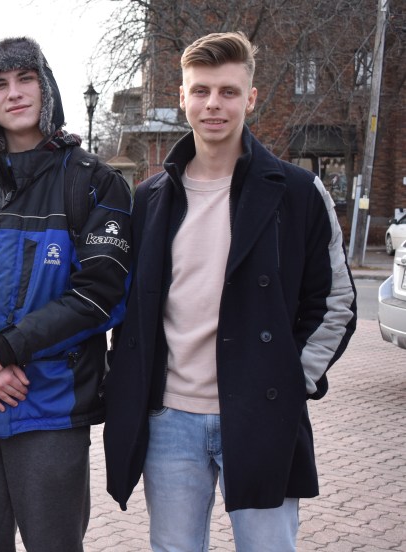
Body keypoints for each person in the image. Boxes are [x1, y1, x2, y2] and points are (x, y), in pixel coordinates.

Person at [103, 31, 357, 551]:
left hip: (263, 412)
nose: (213, 104)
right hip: (169, 418)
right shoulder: (150, 198)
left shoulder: (297, 193)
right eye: (201, 91)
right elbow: (130, 309)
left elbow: (335, 303)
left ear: (251, 98)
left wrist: (292, 380)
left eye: (228, 91)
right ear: (182, 97)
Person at [0, 36, 133, 551]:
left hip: (51, 407)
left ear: (46, 87)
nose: (14, 93)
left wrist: (6, 349)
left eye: (25, 79)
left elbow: (100, 294)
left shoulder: (95, 184)